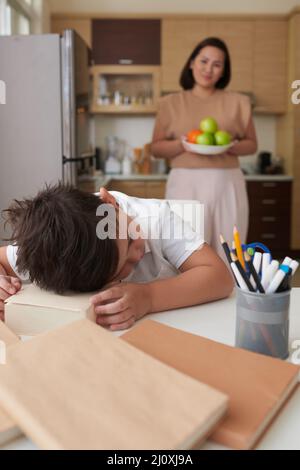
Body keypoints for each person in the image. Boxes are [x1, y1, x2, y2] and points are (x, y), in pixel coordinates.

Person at [0, 184, 233, 330]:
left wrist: (149, 297)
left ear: (109, 202)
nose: (138, 251)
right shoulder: (52, 250)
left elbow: (219, 276)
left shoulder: (158, 220)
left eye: (130, 238)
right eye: (124, 267)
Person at [151, 37, 258, 261]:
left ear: (223, 71)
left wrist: (231, 147)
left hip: (226, 184)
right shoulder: (170, 103)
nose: (209, 69)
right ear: (191, 63)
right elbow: (156, 148)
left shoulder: (239, 102)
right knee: (185, 252)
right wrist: (182, 144)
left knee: (230, 252)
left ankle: (229, 293)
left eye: (217, 64)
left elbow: (252, 144)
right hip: (184, 184)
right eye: (204, 61)